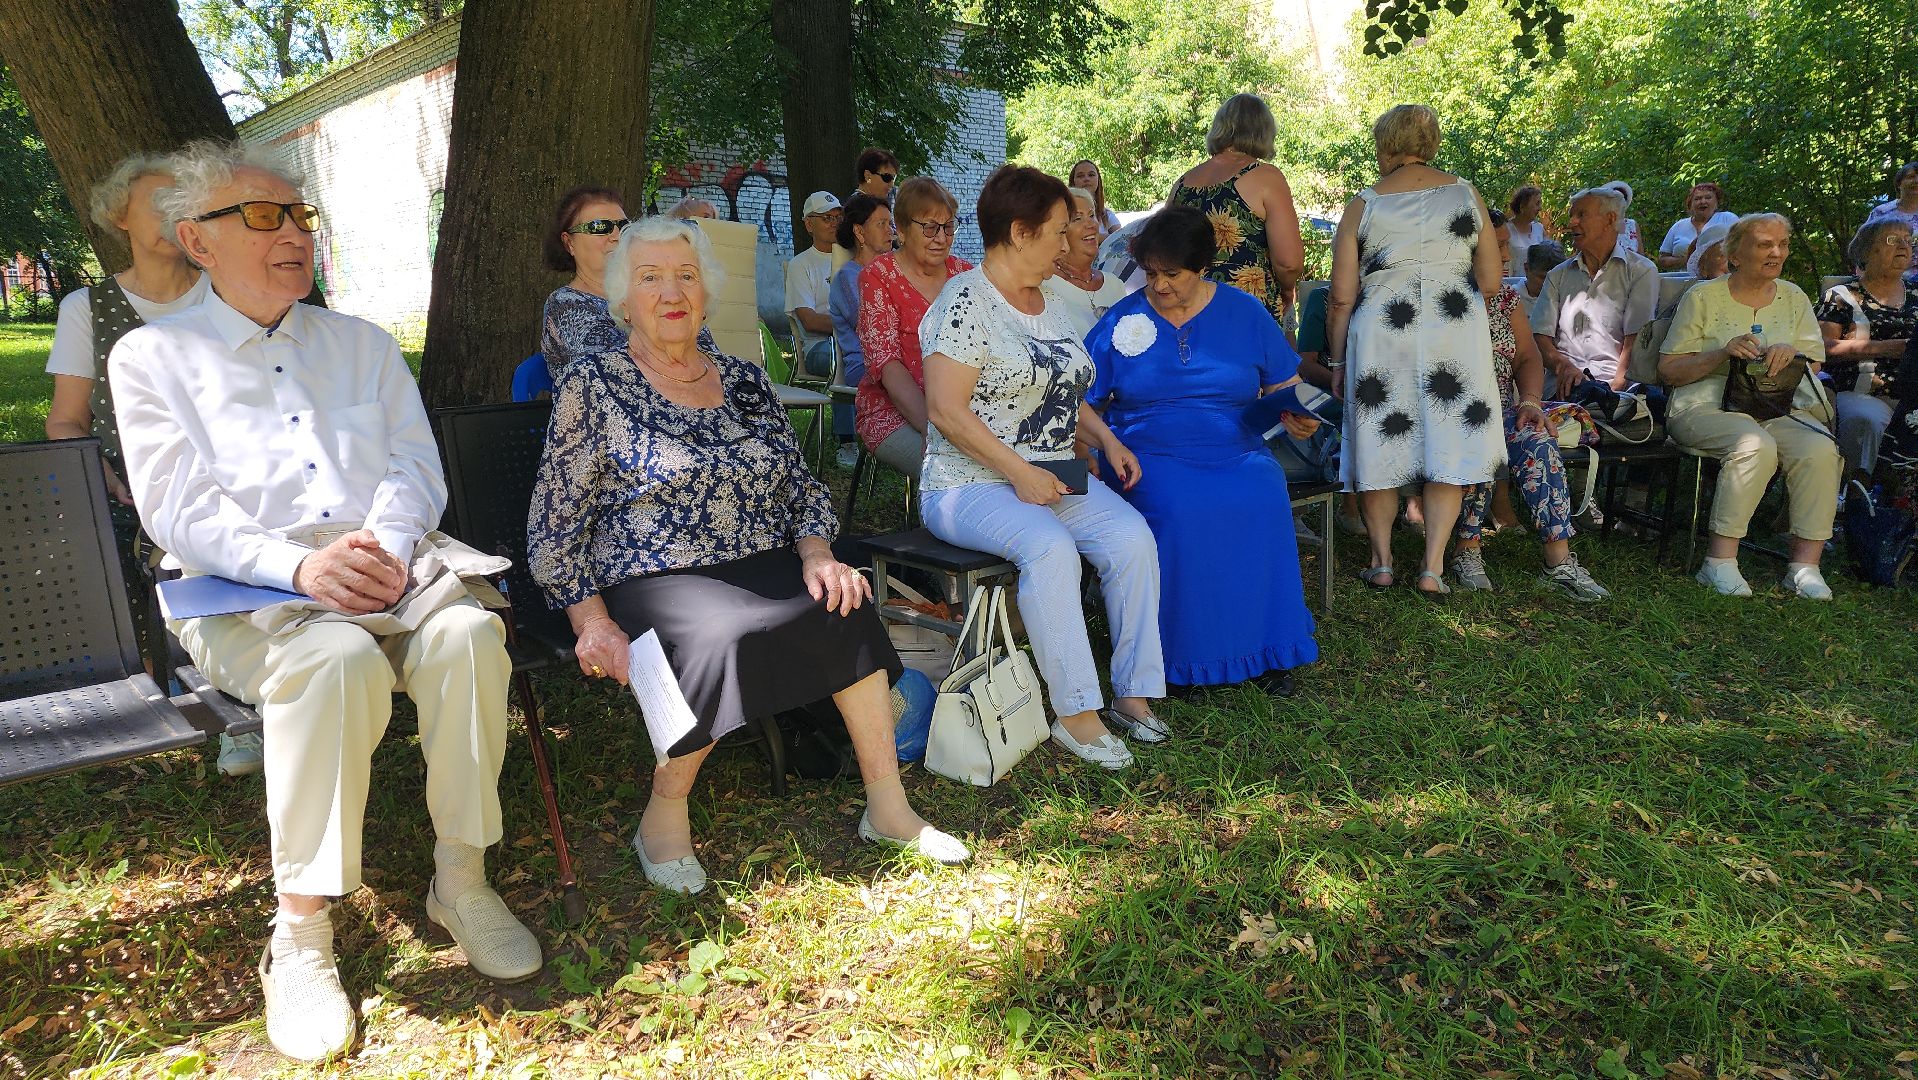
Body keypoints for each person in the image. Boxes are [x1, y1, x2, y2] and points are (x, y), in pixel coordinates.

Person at [109, 140, 542, 1062]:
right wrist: (301, 570)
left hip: (387, 567)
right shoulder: (153, 358)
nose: (293, 234)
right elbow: (180, 510)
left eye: (299, 215)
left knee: (469, 634)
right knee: (333, 657)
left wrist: (382, 548)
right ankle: (301, 932)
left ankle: (460, 878)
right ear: (198, 239)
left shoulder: (360, 344)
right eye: (263, 216)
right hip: (245, 594)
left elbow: (413, 468)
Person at [527, 216, 967, 898]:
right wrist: (591, 620)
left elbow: (800, 485)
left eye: (686, 275)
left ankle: (889, 807)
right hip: (653, 570)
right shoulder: (596, 382)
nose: (671, 291)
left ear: (706, 292)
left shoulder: (745, 380)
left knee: (842, 603)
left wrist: (819, 554)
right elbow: (555, 520)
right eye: (650, 278)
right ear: (622, 299)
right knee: (717, 636)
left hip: (761, 554)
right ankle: (663, 817)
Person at [920, 165, 1164, 766]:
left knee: (1132, 538)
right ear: (1020, 233)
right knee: (1050, 547)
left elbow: (1061, 389)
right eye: (1059, 230)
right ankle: (1076, 713)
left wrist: (1104, 439)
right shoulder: (964, 302)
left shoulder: (1047, 303)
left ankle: (1134, 694)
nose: (1070, 240)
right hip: (968, 484)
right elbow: (947, 412)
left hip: (1052, 473)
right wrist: (1019, 472)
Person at [41, 152, 254, 776]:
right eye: (155, 201)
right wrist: (100, 479)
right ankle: (202, 703)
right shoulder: (88, 308)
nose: (169, 212)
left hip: (235, 479)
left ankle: (244, 706)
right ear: (119, 218)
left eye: (180, 201)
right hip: (127, 490)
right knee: (157, 553)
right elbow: (65, 419)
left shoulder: (229, 295)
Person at [1084, 205, 1319, 696]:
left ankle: (1270, 649)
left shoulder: (1246, 312)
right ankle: (1182, 660)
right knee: (1180, 505)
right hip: (1147, 452)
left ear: (1203, 268)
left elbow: (1287, 384)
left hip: (1236, 445)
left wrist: (1297, 415)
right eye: (1151, 274)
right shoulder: (1122, 319)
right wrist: (1104, 443)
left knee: (1263, 489)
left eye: (1172, 274)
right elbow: (1079, 402)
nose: (1159, 286)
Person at [1324, 104, 1506, 595]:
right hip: (1454, 328)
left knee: (1379, 439)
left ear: (1386, 146)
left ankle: (1382, 561)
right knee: (1449, 440)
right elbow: (1490, 280)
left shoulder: (1365, 204)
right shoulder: (1466, 194)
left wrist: (1337, 361)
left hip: (1384, 332)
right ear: (1431, 144)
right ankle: (1432, 568)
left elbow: (1341, 295)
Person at [1658, 213, 1840, 599]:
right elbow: (1669, 370)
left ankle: (1804, 566)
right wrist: (1722, 353)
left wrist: (1790, 353)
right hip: (1701, 406)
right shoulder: (1703, 296)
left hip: (1775, 407)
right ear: (1735, 255)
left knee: (1820, 448)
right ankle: (1719, 562)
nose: (1777, 252)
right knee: (1754, 445)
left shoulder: (1794, 297)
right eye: (1764, 244)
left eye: (1782, 244)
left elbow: (1814, 362)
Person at [1452, 210, 1612, 600]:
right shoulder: (1437, 297)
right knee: (1480, 441)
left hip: (1505, 408)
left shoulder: (1505, 299)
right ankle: (1465, 551)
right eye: (1499, 246)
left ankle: (1558, 562)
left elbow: (1527, 358)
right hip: (1449, 414)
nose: (1506, 256)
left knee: (1537, 438)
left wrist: (1530, 401)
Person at [854, 177, 971, 474]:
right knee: (956, 469)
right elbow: (888, 365)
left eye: (948, 227)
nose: (941, 238)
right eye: (930, 227)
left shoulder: (965, 275)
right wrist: (936, 429)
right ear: (902, 230)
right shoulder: (878, 277)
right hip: (895, 412)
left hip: (964, 409)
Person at [1168, 93, 1305, 321]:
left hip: (1188, 311)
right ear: (1264, 131)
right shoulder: (1266, 177)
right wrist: (1286, 290)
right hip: (1245, 310)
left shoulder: (1182, 184)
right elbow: (1288, 262)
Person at [1532, 187, 1658, 395]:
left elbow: (1636, 340)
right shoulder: (1558, 275)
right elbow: (1540, 336)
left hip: (1618, 386)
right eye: (1572, 215)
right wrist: (1563, 366)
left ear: (1610, 219)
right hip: (1562, 388)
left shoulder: (1640, 271)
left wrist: (1616, 388)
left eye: (1581, 215)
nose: (1572, 222)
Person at [1815, 219, 1916, 478]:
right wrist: (1885, 348)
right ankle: (1854, 498)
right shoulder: (1841, 296)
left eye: (1908, 239)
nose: (1904, 246)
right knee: (1865, 421)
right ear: (1867, 251)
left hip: (1912, 395)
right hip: (1863, 393)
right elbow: (1821, 348)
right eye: (1893, 240)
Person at [539, 186, 630, 382]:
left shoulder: (647, 293)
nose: (616, 236)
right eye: (599, 227)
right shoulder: (564, 304)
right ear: (569, 243)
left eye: (623, 225)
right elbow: (612, 376)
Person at [828, 193, 893, 465]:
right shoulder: (847, 277)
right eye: (881, 224)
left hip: (893, 361)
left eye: (891, 224)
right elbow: (873, 326)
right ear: (859, 232)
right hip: (864, 367)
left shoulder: (892, 273)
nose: (890, 231)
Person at [1045, 185, 1131, 338]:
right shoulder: (1046, 285)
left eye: (1092, 215)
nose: (1091, 224)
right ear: (1058, 231)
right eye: (1077, 218)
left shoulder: (1114, 285)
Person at [785, 191, 842, 379]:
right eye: (827, 218)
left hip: (853, 342)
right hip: (818, 348)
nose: (835, 222)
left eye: (838, 217)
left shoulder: (853, 259)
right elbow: (810, 321)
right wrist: (855, 326)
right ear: (809, 224)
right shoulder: (800, 264)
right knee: (849, 360)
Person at [1657, 182, 1738, 271]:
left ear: (1717, 202)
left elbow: (1742, 248)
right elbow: (1662, 260)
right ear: (1690, 204)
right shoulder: (1678, 226)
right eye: (1697, 199)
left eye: (1708, 197)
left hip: (1722, 278)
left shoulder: (1728, 218)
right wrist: (1688, 261)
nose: (1703, 201)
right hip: (1683, 280)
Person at [1863, 162, 1918, 282]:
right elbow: (1865, 247)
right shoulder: (1882, 213)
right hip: (1890, 281)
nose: (1916, 181)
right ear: (1899, 183)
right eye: (1911, 177)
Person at [1069, 159, 1123, 240]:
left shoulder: (1107, 215)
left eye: (1091, 175)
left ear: (1098, 180)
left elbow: (1122, 238)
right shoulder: (1065, 213)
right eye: (1080, 176)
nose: (1086, 179)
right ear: (1073, 181)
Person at [1505, 185, 1546, 276]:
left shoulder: (1539, 229)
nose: (1540, 208)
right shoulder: (1506, 230)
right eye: (1537, 203)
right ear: (1522, 207)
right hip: (1511, 285)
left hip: (1536, 286)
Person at [1605, 180, 1643, 255]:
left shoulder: (1632, 225)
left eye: (1622, 200)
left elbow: (1641, 255)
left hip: (1632, 266)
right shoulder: (1599, 224)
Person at [1521, 239, 1564, 304]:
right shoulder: (1512, 301)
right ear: (1527, 269)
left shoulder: (1563, 299)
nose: (1549, 283)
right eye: (1543, 277)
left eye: (1556, 278)